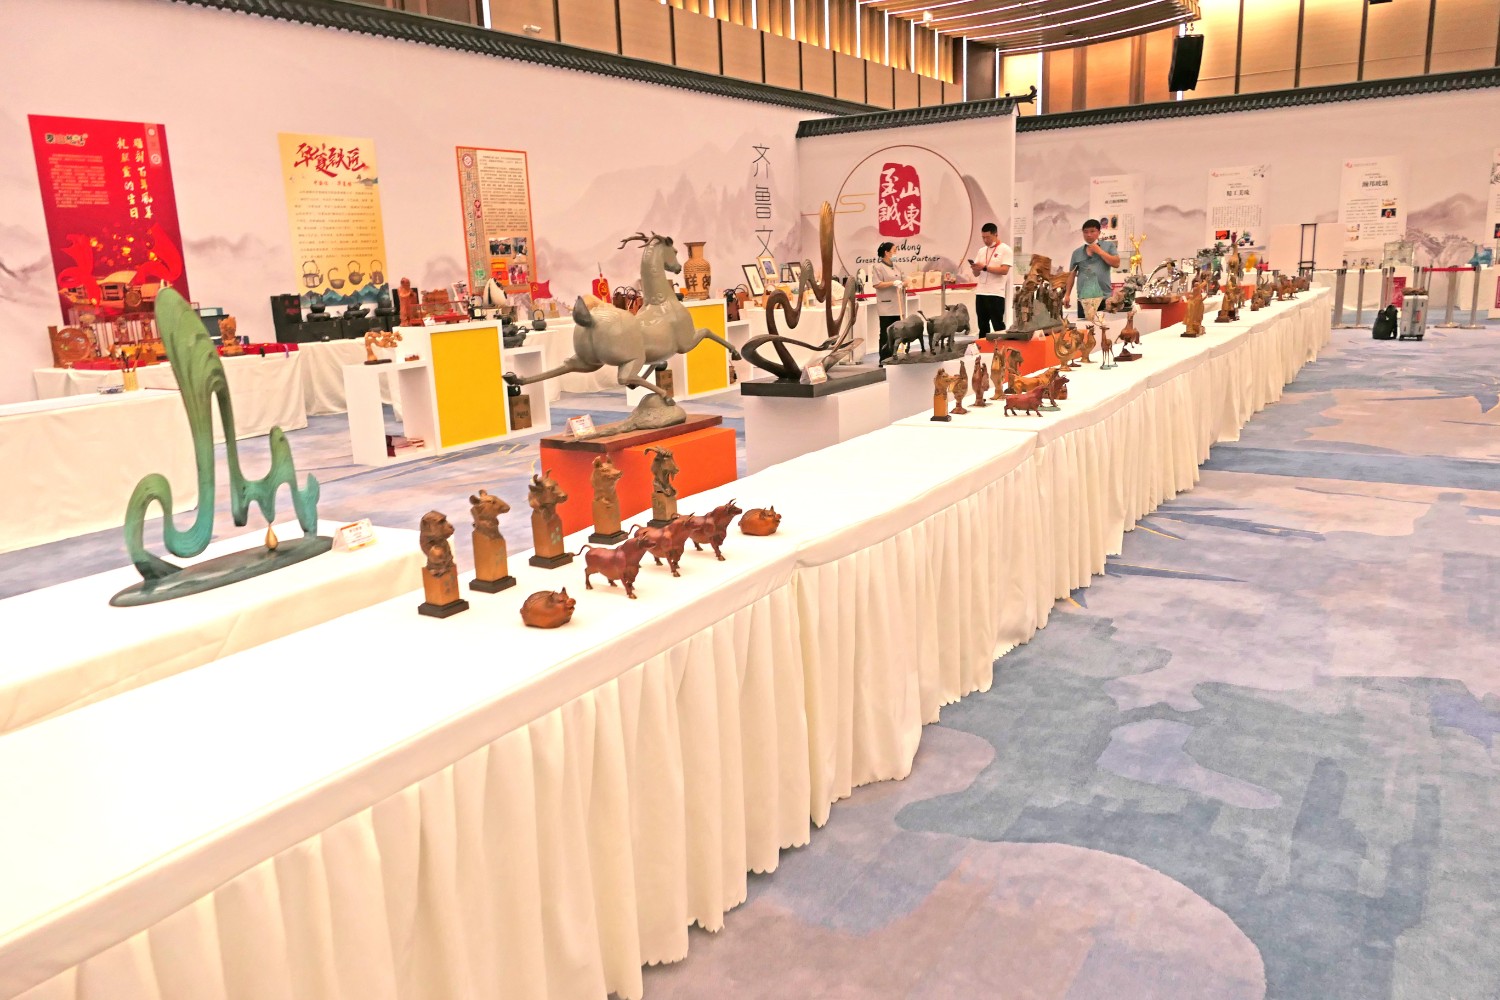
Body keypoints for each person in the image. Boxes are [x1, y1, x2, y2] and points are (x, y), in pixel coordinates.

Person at [1064, 219, 1121, 322]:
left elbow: (1116, 263)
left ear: (1099, 232)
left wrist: (1100, 252)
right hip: (1084, 298)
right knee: (1085, 327)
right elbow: (1071, 274)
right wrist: (1067, 295)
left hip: (1104, 297)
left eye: (1092, 231)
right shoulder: (1077, 252)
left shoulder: (1109, 246)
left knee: (1104, 326)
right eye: (1085, 232)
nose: (1089, 235)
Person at [968, 222, 1012, 337]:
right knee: (982, 325)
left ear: (995, 234)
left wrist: (985, 268)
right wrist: (975, 268)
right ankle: (982, 346)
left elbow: (1004, 270)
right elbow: (976, 274)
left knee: (998, 325)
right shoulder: (981, 251)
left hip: (996, 293)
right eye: (983, 237)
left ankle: (1001, 346)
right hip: (981, 292)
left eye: (988, 237)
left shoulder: (1005, 249)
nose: (985, 240)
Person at [871, 242, 902, 362]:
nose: (896, 253)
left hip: (898, 305)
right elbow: (877, 284)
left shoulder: (897, 267)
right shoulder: (878, 267)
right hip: (886, 306)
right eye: (894, 251)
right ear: (886, 253)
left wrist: (905, 283)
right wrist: (893, 283)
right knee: (886, 333)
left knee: (897, 332)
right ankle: (884, 359)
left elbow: (904, 279)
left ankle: (894, 356)